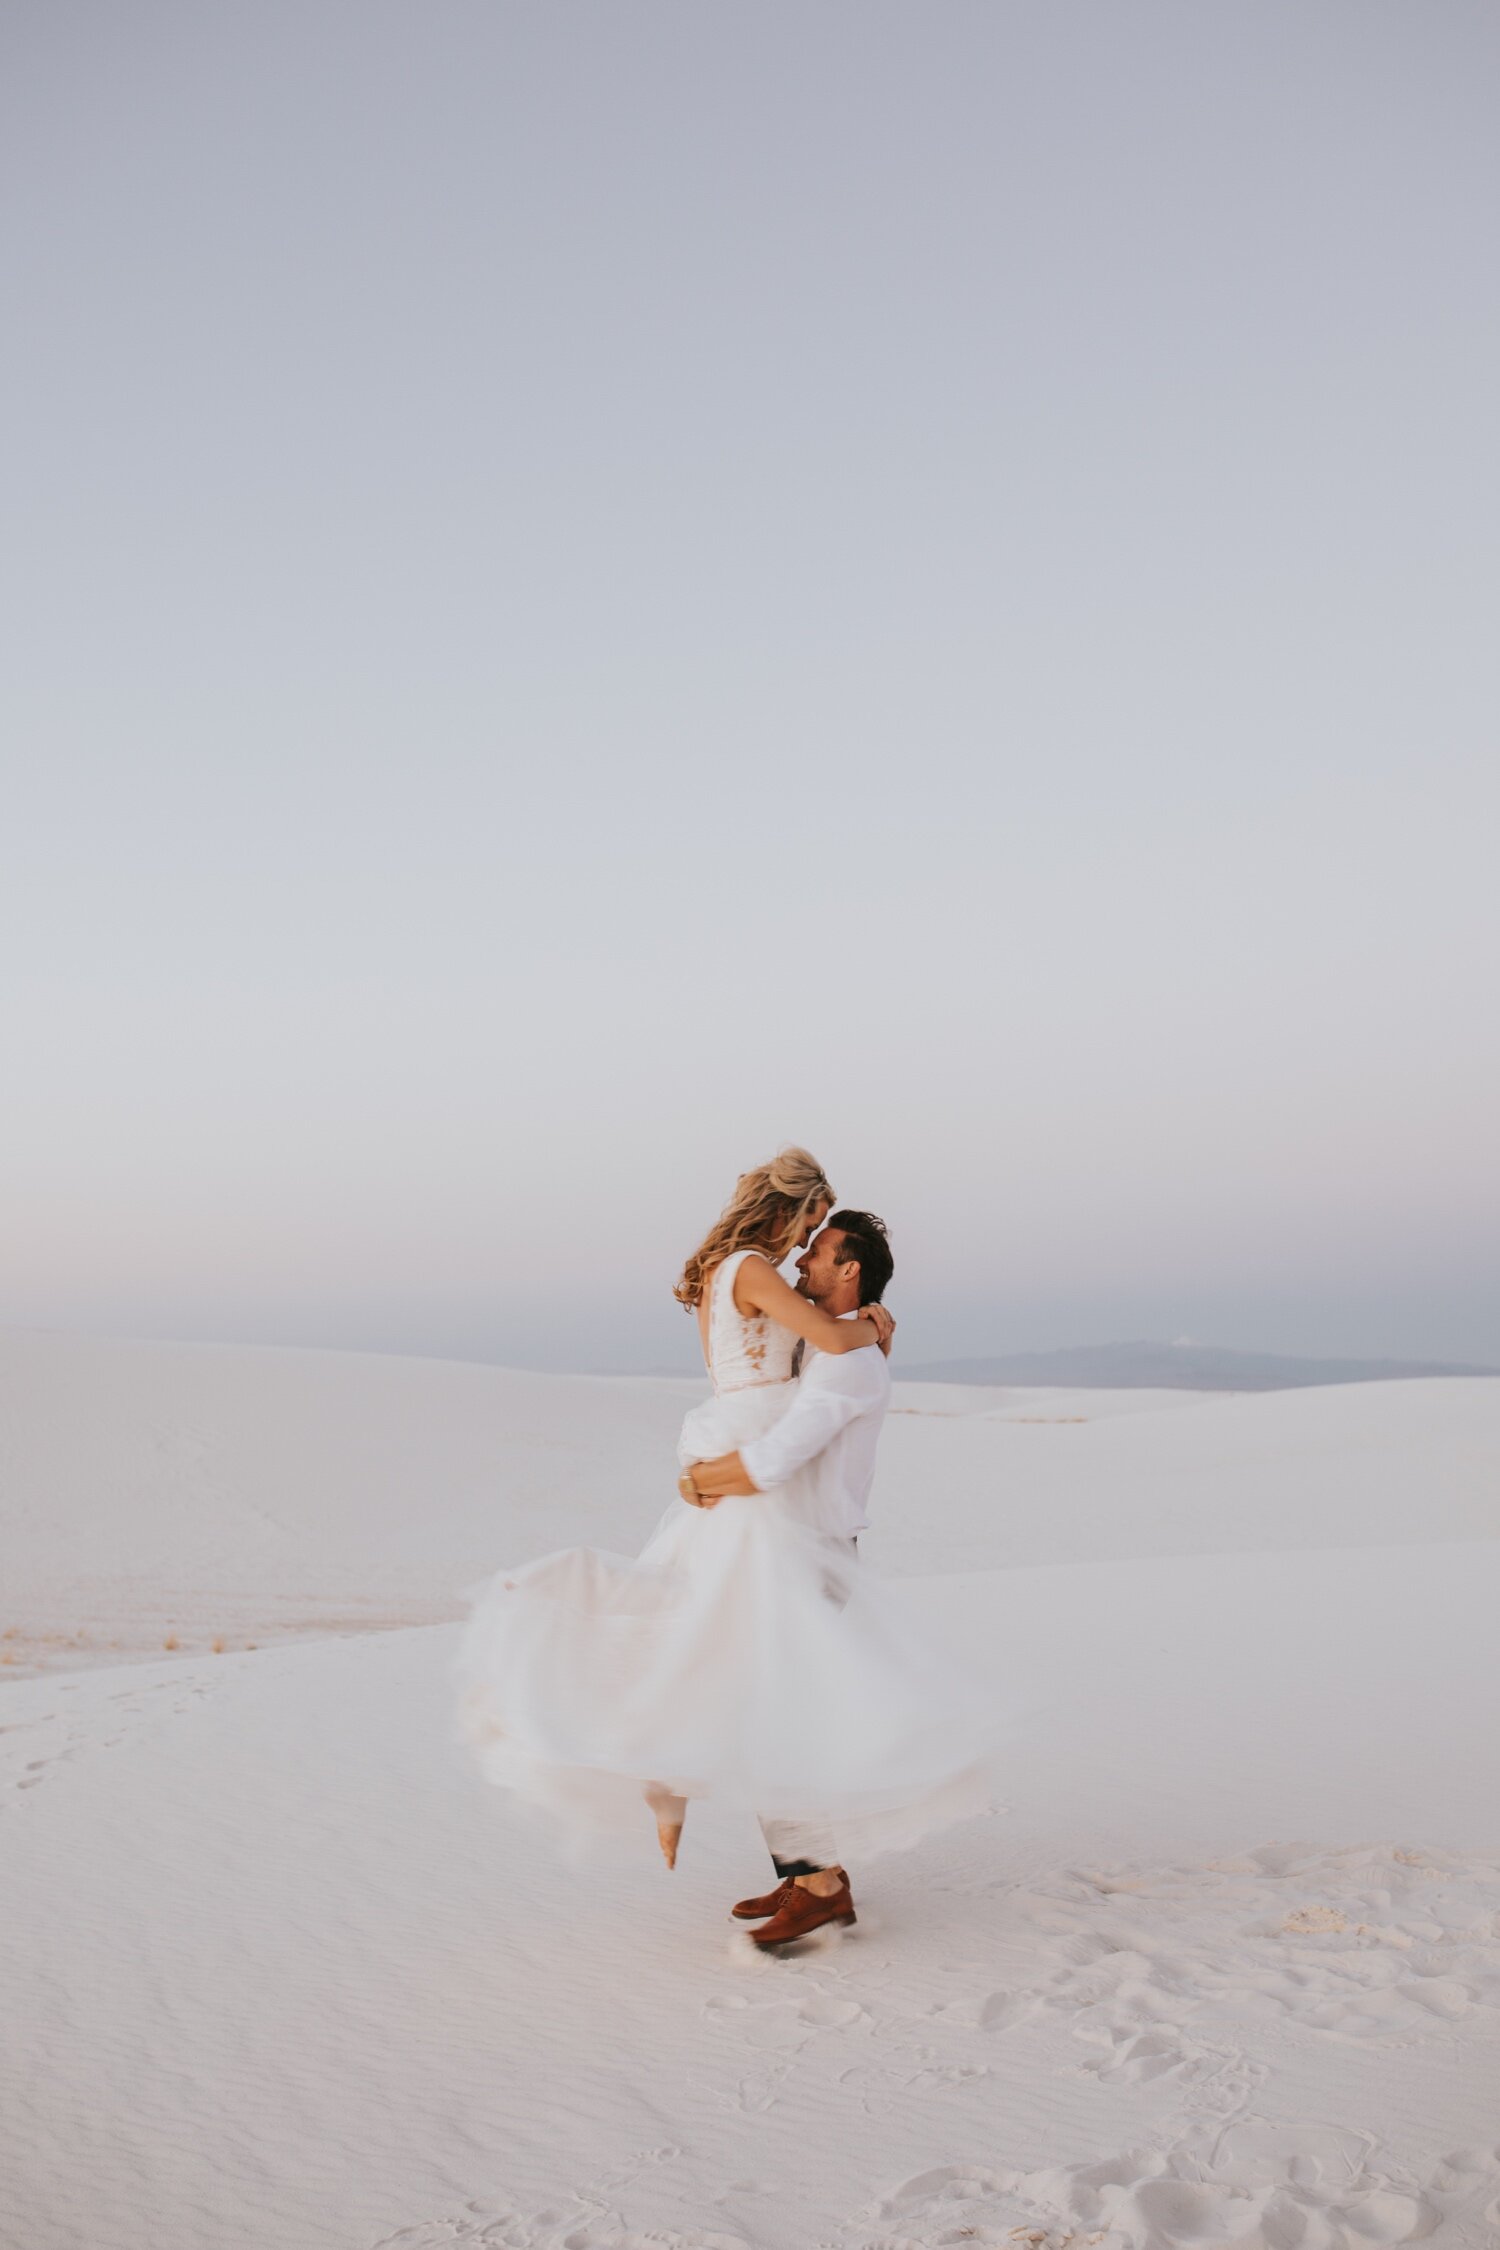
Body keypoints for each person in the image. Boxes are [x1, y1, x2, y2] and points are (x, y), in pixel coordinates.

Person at [452, 1146, 1000, 1949]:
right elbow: (822, 1350)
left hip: (790, 1514)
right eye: (811, 1226)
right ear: (795, 1206)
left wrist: (726, 1469)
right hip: (777, 1505)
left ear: (846, 1269)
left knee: (750, 1680)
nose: (808, 1248)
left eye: (821, 1244)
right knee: (740, 1675)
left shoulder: (801, 1319)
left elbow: (809, 1405)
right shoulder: (767, 1281)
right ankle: (804, 1873)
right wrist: (868, 1327)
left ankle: (797, 1868)